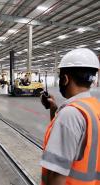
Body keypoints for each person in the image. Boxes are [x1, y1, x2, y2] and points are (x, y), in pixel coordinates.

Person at [40, 48, 100, 185]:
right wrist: (54, 109)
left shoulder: (70, 114)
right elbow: (78, 142)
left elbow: (56, 175)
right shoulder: (94, 107)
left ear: (65, 79)